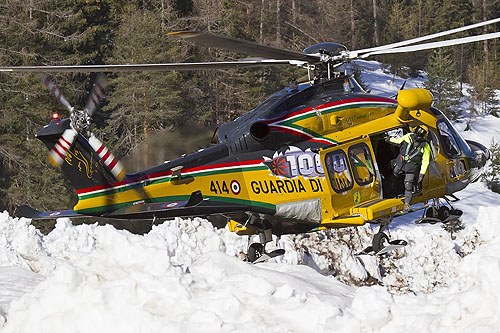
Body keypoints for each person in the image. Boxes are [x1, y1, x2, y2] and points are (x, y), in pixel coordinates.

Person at [387, 125, 431, 212]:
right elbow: (399, 141)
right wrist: (389, 140)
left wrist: (421, 174)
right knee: (394, 175)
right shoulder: (408, 136)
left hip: (411, 167)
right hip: (401, 162)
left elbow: (425, 161)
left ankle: (407, 203)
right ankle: (388, 191)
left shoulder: (425, 147)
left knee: (408, 184)